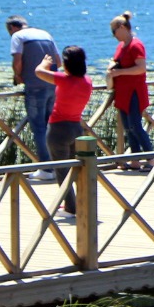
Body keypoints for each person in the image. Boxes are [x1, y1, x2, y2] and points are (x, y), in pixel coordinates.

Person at [35, 45, 93, 215]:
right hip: (76, 128)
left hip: (58, 129)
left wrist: (45, 62)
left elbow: (38, 71)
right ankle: (82, 202)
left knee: (62, 170)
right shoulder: (87, 81)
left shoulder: (63, 79)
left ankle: (70, 207)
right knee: (78, 169)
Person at [7, 15, 59, 177]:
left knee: (38, 127)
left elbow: (17, 59)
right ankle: (58, 165)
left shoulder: (18, 36)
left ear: (12, 28)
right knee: (51, 125)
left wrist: (18, 75)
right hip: (53, 84)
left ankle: (46, 168)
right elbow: (58, 60)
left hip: (34, 86)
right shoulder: (46, 34)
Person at [105, 11, 152, 168]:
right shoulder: (120, 46)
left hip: (134, 90)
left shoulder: (136, 45)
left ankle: (150, 158)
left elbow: (141, 68)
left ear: (123, 27)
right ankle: (135, 159)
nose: (114, 35)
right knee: (128, 127)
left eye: (114, 31)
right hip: (122, 91)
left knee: (135, 125)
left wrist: (119, 72)